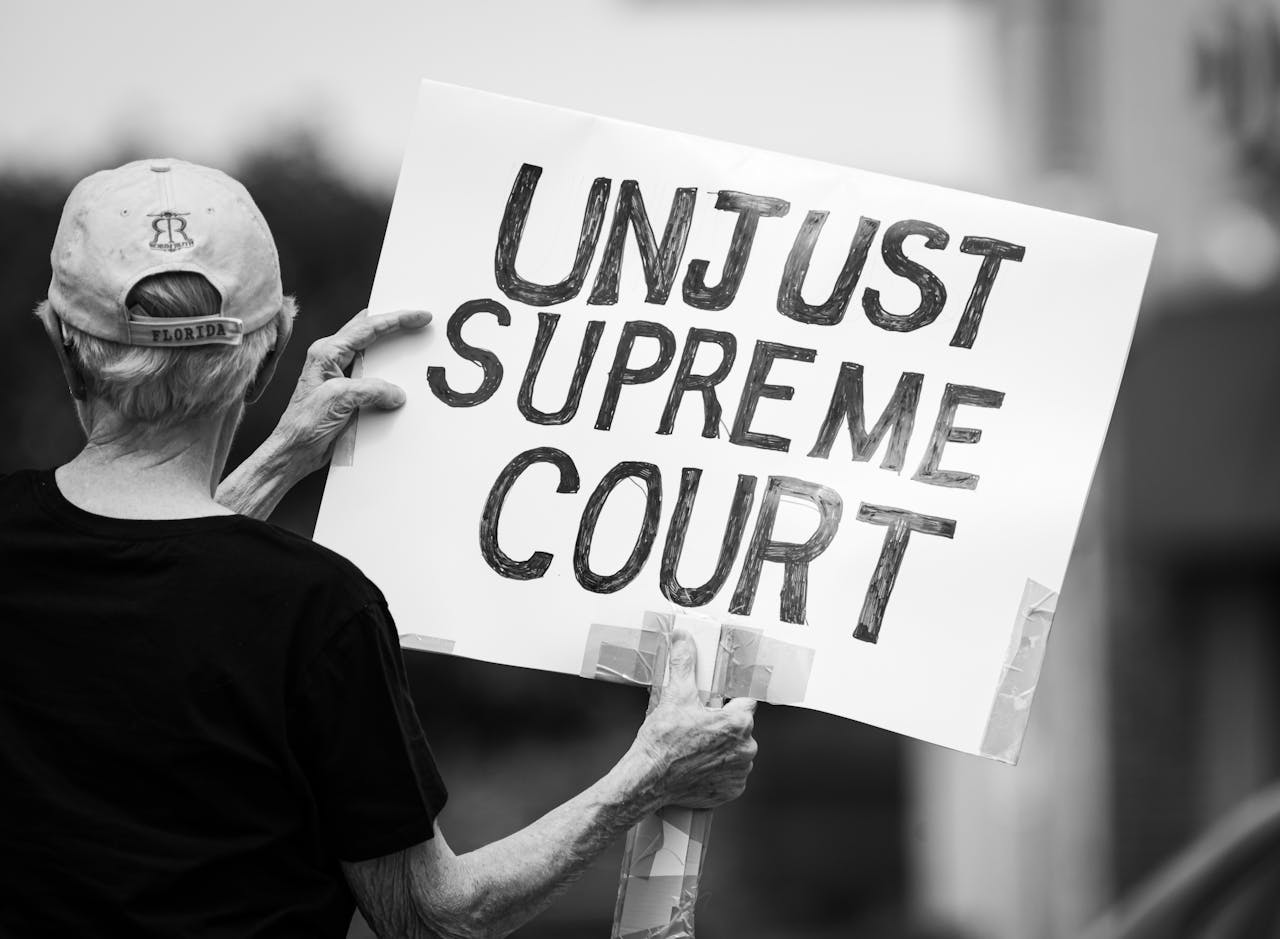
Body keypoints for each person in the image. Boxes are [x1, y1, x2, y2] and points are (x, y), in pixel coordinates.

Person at [0, 158, 757, 938]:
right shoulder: (314, 608)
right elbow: (432, 915)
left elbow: (141, 582)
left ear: (62, 341)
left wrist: (278, 461)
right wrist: (647, 775)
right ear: (267, 357)